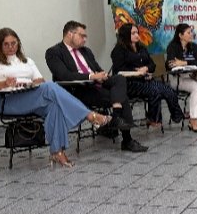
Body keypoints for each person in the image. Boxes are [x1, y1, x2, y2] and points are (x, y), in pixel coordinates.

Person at [0, 28, 120, 167]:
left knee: (54, 105)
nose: (11, 47)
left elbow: (40, 80)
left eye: (13, 43)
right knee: (50, 87)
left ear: (18, 43)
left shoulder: (25, 60)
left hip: (27, 95)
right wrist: (4, 83)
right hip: (5, 100)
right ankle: (90, 116)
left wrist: (28, 83)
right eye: (6, 44)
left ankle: (57, 152)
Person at [46, 20, 147, 153]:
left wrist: (102, 74)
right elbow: (64, 75)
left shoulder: (86, 51)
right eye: (82, 36)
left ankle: (116, 117)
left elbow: (97, 69)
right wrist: (91, 76)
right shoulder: (54, 52)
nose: (85, 39)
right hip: (78, 90)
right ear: (70, 34)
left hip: (97, 84)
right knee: (122, 98)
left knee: (119, 78)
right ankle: (126, 139)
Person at [111, 23, 185, 127]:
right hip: (129, 84)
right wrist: (137, 72)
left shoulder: (141, 48)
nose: (137, 35)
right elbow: (119, 70)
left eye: (137, 32)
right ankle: (154, 120)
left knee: (168, 90)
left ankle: (177, 116)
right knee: (155, 91)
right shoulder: (118, 50)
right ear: (126, 35)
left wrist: (146, 68)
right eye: (133, 33)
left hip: (145, 80)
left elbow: (152, 65)